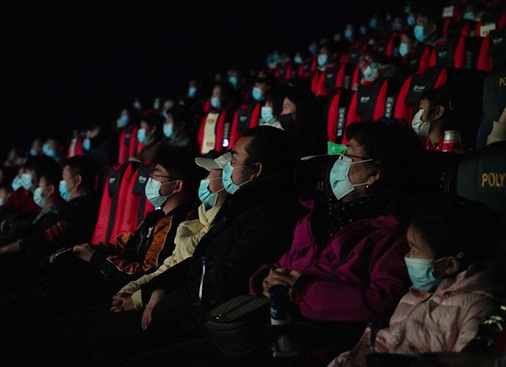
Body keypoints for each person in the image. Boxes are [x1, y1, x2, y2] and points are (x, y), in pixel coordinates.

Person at [124, 122, 427, 367]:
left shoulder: (392, 234)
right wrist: (265, 278)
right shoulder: (315, 215)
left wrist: (302, 289)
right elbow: (275, 267)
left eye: (349, 156)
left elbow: (381, 302)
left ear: (375, 173)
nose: (339, 163)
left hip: (313, 346)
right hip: (267, 331)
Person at [58, 126, 301, 367]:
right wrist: (155, 288)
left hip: (212, 319)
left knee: (104, 338)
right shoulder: (241, 206)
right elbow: (197, 261)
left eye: (234, 159)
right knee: (84, 329)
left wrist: (160, 303)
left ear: (255, 170)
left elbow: (226, 277)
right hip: (187, 305)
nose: (228, 166)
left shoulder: (268, 213)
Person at [329, 196, 504, 367]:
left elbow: (468, 361)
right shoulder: (415, 295)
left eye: (415, 250)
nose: (408, 257)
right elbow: (385, 343)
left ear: (450, 264)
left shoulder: (479, 307)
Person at [111, 151, 230, 312]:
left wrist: (139, 295)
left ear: (228, 179)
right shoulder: (188, 222)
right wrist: (131, 289)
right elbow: (168, 265)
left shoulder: (199, 223)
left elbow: (180, 270)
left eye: (209, 174)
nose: (204, 180)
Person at [71, 147, 200, 293]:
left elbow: (147, 273)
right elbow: (125, 244)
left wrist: (98, 258)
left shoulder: (178, 223)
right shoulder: (156, 217)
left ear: (177, 185)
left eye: (156, 175)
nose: (151, 180)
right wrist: (89, 249)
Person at [279, 85, 326, 158]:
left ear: (301, 108)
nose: (282, 113)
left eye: (286, 107)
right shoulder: (287, 138)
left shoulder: (315, 141)